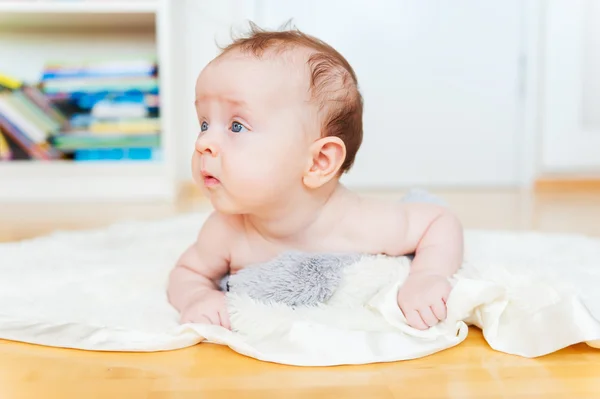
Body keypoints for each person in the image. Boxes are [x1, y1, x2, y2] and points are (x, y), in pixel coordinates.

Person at [167, 23, 464, 331]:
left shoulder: (362, 223)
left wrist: (428, 275)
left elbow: (438, 221)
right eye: (204, 124)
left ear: (319, 162)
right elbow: (187, 273)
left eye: (236, 126)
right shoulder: (225, 231)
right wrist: (196, 297)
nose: (203, 143)